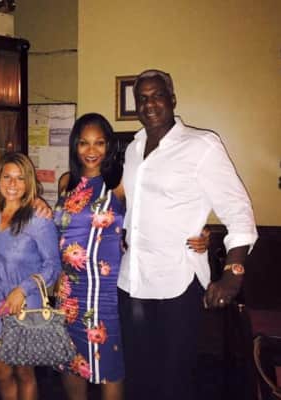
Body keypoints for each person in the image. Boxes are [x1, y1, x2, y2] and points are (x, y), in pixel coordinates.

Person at [117, 69, 258, 400]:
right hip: (132, 282)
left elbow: (238, 212)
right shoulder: (133, 149)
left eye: (157, 95)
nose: (150, 104)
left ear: (173, 99)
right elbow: (132, 206)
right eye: (142, 98)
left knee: (174, 381)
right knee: (137, 378)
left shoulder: (202, 145)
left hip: (176, 285)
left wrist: (232, 275)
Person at [53, 113, 210, 400]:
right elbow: (59, 229)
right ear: (75, 146)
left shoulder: (120, 183)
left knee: (110, 364)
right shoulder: (66, 182)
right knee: (70, 361)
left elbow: (157, 212)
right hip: (69, 290)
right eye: (84, 143)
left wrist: (199, 231)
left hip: (105, 291)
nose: (91, 150)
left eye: (99, 143)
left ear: (109, 146)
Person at [0, 152, 61, 400]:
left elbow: (53, 265)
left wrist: (22, 290)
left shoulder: (38, 219)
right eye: (7, 177)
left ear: (29, 182)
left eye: (20, 178)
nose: (13, 184)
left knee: (24, 373)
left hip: (24, 302)